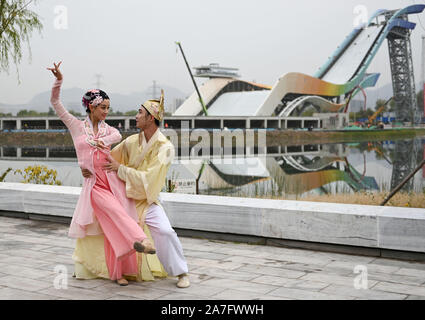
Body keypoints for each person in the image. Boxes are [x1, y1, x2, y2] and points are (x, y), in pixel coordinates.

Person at [47, 62, 155, 286]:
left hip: (112, 181)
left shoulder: (108, 130)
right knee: (116, 212)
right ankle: (140, 239)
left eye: (108, 107)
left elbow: (116, 136)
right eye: (103, 107)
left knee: (110, 227)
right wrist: (59, 80)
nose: (106, 111)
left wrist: (100, 140)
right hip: (93, 184)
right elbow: (55, 103)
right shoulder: (76, 126)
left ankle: (119, 274)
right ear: (91, 107)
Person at [82, 91, 190, 288]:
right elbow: (106, 159)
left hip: (147, 200)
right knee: (113, 227)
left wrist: (121, 169)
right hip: (126, 197)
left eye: (140, 113)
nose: (136, 116)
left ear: (151, 118)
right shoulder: (132, 141)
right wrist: (87, 166)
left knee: (165, 231)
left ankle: (181, 272)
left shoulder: (165, 148)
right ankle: (119, 271)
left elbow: (150, 179)